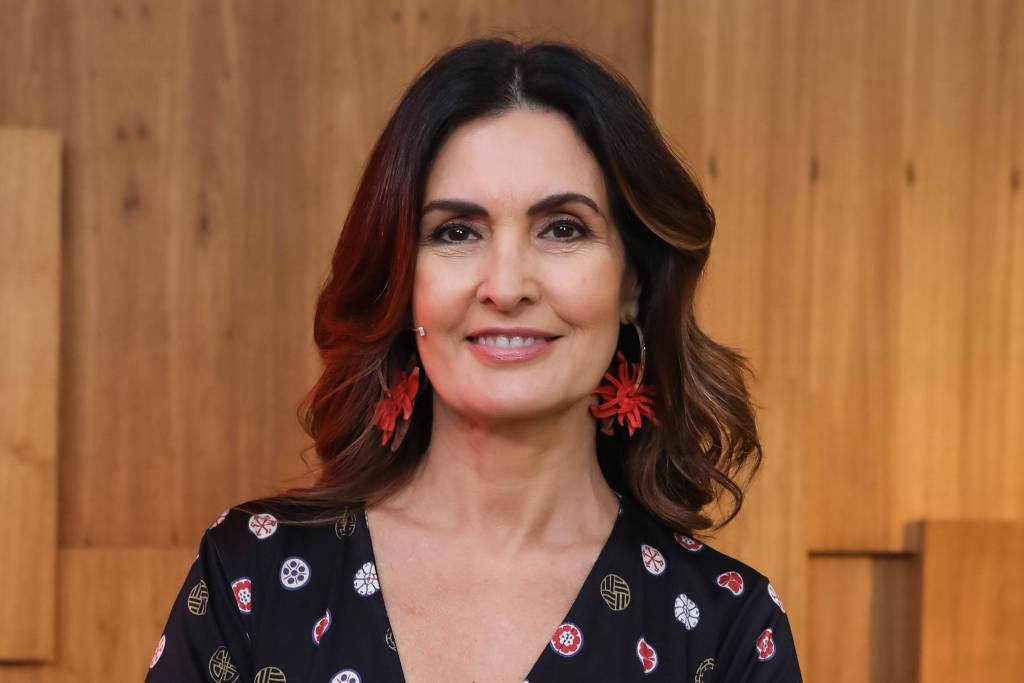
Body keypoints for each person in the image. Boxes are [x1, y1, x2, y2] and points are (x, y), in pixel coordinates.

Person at [144, 37, 802, 683]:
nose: (506, 286)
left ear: (633, 282)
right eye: (456, 232)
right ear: (403, 281)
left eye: (563, 228)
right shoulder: (252, 575)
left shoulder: (727, 629)